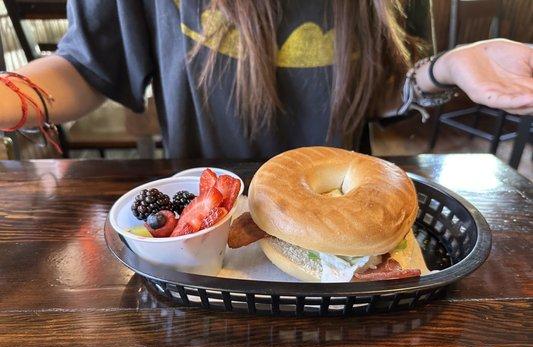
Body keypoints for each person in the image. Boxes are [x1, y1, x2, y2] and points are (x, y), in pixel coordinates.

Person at [0, 0, 532, 159]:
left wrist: (448, 67)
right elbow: (88, 68)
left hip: (341, 215)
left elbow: (386, 91)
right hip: (205, 218)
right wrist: (11, 98)